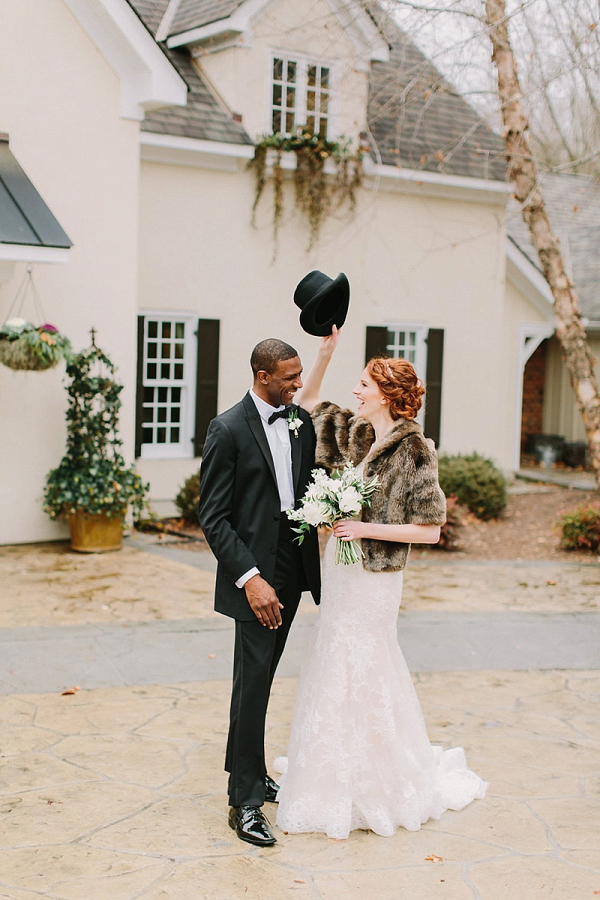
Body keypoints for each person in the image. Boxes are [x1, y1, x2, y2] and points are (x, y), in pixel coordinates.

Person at [275, 328, 487, 839]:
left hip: (375, 579)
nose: (356, 390)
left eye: (364, 383)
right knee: (333, 656)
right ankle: (330, 769)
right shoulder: (356, 434)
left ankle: (377, 779)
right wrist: (324, 353)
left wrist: (364, 526)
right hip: (341, 569)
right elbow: (305, 407)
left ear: (388, 394)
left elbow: (431, 529)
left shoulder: (416, 449)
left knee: (366, 662)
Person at [198, 338, 321, 847]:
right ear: (263, 375)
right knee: (252, 685)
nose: (298, 384)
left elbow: (307, 484)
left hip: (293, 571)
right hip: (257, 583)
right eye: (290, 377)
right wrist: (250, 579)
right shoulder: (226, 429)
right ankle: (244, 801)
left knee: (261, 681)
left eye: (298, 375)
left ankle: (246, 771)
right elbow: (213, 516)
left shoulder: (300, 422)